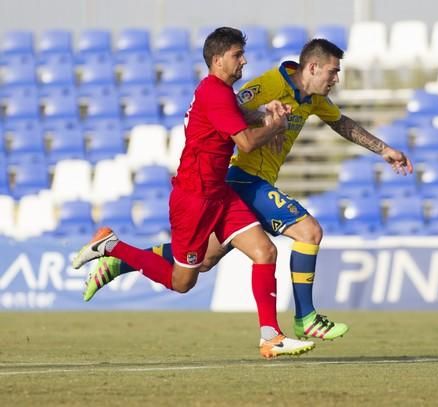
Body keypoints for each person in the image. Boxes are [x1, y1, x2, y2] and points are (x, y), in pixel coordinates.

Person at [84, 38, 413, 341]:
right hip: (241, 177)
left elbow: (340, 122)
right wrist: (266, 118)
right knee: (309, 232)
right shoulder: (268, 84)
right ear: (313, 67)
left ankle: (120, 260)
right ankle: (305, 317)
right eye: (333, 71)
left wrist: (384, 149)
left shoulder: (314, 99)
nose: (335, 79)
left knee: (202, 261)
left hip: (254, 183)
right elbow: (230, 112)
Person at [72, 27, 315, 359]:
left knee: (264, 251)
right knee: (183, 282)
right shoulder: (214, 92)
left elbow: (240, 117)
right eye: (236, 55)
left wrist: (265, 114)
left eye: (242, 54)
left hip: (220, 194)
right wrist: (274, 125)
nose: (243, 60)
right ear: (217, 60)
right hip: (195, 199)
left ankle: (270, 337)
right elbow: (244, 142)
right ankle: (111, 246)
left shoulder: (221, 93)